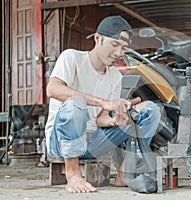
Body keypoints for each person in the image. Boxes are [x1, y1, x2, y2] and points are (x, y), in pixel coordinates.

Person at [45, 15, 161, 193]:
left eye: (123, 48)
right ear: (98, 38)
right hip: (61, 143)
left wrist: (117, 118)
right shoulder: (72, 58)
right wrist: (104, 102)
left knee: (150, 110)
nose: (119, 53)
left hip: (93, 142)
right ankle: (73, 175)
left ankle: (125, 174)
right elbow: (53, 89)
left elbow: (100, 119)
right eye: (115, 44)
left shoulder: (115, 76)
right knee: (75, 104)